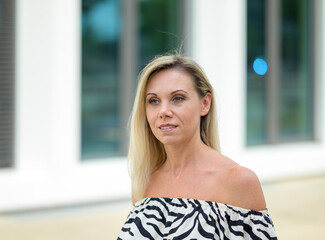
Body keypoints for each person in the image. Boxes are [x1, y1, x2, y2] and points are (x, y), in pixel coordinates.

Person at [118, 54, 277, 239]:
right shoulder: (144, 180)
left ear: (205, 104)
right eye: (153, 101)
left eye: (177, 98)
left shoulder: (239, 181)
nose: (163, 111)